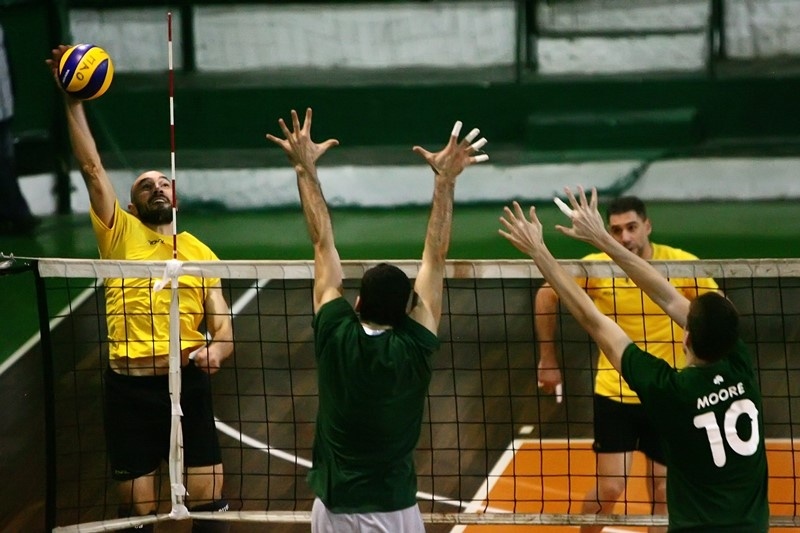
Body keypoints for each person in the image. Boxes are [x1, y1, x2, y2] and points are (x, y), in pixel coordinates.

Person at [266, 108, 488, 532]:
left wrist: (304, 169)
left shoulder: (334, 331)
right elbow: (435, 258)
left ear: (357, 302)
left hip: (334, 507)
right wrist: (445, 182)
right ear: (408, 311)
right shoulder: (413, 348)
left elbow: (322, 243)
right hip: (393, 508)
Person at [499, 187, 768, 532]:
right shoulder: (740, 364)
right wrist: (603, 242)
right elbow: (668, 296)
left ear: (686, 336)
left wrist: (539, 250)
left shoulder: (671, 391)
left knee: (661, 491)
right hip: (752, 527)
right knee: (616, 487)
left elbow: (596, 320)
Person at [47, 45, 233, 532]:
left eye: (164, 183)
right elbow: (92, 169)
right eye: (145, 185)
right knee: (138, 510)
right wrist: (72, 101)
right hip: (129, 388)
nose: (157, 187)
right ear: (130, 206)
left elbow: (221, 318)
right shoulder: (119, 234)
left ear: (176, 198)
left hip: (186, 383)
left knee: (210, 501)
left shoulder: (200, 251)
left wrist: (220, 347)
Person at [533, 195, 718, 531]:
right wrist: (547, 358)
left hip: (668, 393)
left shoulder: (680, 264)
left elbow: (718, 310)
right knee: (609, 489)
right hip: (615, 392)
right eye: (616, 230)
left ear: (647, 226)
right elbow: (546, 294)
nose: (625, 237)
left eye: (632, 227)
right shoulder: (596, 267)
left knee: (663, 491)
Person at [0, 23, 39, 235]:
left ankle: (13, 215)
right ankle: (19, 214)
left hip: (5, 109)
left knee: (6, 161)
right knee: (4, 163)